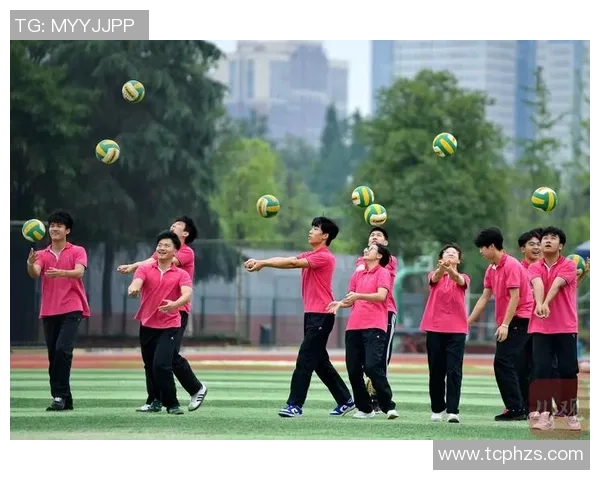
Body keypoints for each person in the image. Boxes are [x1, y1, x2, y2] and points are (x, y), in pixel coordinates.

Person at [244, 216, 354, 418]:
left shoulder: (325, 257)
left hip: (322, 315)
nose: (310, 231)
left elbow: (292, 263)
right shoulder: (311, 254)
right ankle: (346, 400)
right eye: (311, 227)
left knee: (305, 359)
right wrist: (262, 262)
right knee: (320, 362)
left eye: (315, 228)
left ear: (325, 236)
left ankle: (294, 405)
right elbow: (288, 260)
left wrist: (263, 263)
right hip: (313, 315)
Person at [117, 216, 207, 412]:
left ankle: (194, 389)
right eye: (171, 225)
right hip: (154, 313)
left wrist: (134, 266)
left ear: (185, 233)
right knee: (157, 359)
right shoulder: (160, 253)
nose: (172, 227)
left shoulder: (186, 252)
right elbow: (151, 263)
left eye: (177, 226)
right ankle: (155, 399)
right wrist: (135, 271)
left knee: (166, 358)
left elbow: (163, 262)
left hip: (178, 311)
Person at [26, 210, 90, 411]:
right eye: (52, 225)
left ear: (67, 230)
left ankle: (59, 396)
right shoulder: (42, 255)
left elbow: (79, 272)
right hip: (49, 309)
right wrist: (30, 263)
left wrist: (61, 272)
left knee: (63, 350)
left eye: (59, 225)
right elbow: (35, 272)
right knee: (54, 355)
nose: (54, 228)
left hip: (72, 307)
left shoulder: (77, 251)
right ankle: (65, 398)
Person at [327, 243, 399, 420]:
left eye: (371, 249)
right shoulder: (357, 275)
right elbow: (350, 299)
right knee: (353, 370)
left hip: (374, 326)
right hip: (353, 327)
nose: (366, 250)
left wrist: (359, 295)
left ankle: (388, 406)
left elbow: (381, 296)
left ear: (379, 256)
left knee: (372, 367)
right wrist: (340, 303)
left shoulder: (383, 272)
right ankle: (365, 409)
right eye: (367, 248)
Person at [468, 227, 533, 421]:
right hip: (508, 321)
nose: (480, 251)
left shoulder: (511, 265)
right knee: (511, 364)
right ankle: (520, 407)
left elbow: (515, 297)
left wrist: (505, 325)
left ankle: (516, 408)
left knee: (503, 362)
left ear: (492, 246)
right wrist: (468, 322)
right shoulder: (492, 268)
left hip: (520, 318)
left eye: (482, 247)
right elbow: (484, 297)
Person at [127, 230, 193, 415]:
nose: (162, 248)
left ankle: (172, 404)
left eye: (167, 246)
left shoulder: (181, 274)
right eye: (160, 245)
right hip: (147, 324)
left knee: (161, 364)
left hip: (170, 325)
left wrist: (175, 304)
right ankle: (154, 401)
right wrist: (133, 289)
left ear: (175, 251)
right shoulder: (145, 269)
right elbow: (136, 283)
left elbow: (187, 294)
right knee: (149, 365)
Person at [528, 227, 581, 431]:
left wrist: (545, 303)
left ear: (561, 245)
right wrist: (540, 303)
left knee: (568, 370)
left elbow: (557, 285)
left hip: (565, 327)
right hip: (540, 328)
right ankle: (545, 416)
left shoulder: (568, 265)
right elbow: (538, 285)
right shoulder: (534, 266)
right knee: (542, 371)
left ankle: (570, 413)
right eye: (545, 238)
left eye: (553, 238)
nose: (548, 241)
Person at [419, 243, 469, 424]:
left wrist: (450, 270)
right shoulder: (434, 274)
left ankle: (453, 410)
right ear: (440, 258)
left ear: (459, 260)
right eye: (447, 252)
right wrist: (442, 269)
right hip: (435, 328)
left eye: (454, 253)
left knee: (454, 371)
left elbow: (459, 280)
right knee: (436, 371)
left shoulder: (464, 277)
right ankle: (437, 408)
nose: (451, 254)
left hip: (457, 329)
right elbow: (435, 278)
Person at [357, 227, 398, 412]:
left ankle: (380, 398)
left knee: (380, 358)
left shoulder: (390, 260)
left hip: (385, 311)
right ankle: (367, 396)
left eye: (379, 235)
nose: (374, 237)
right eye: (372, 235)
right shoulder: (362, 260)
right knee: (363, 359)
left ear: (385, 243)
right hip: (364, 314)